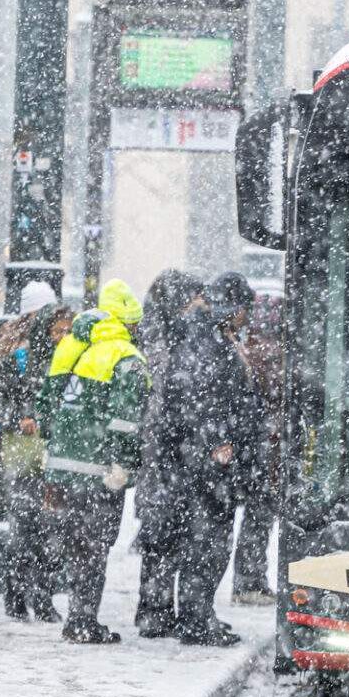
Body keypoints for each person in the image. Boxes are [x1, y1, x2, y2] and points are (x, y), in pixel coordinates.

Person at [39, 280, 147, 645]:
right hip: (98, 472)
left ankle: (75, 616)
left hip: (61, 467)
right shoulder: (125, 357)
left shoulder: (72, 346)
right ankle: (83, 621)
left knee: (72, 545)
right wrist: (123, 465)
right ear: (128, 324)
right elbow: (125, 420)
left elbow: (46, 404)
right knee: (94, 547)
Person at [0, 289, 74, 622]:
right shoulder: (21, 360)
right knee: (26, 531)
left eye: (67, 331)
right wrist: (18, 419)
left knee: (53, 532)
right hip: (22, 460)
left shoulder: (71, 364)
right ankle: (18, 594)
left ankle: (42, 596)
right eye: (57, 330)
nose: (62, 336)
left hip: (55, 461)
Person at [132, 270, 209, 640]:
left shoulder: (156, 335)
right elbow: (163, 403)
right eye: (192, 296)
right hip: (165, 457)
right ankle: (155, 611)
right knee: (163, 536)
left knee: (162, 536)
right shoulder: (164, 342)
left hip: (162, 457)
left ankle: (154, 609)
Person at [224, 283, 280, 605]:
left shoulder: (245, 348)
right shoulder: (269, 353)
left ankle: (248, 580)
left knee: (255, 515)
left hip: (252, 445)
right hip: (262, 446)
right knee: (259, 514)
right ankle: (249, 582)